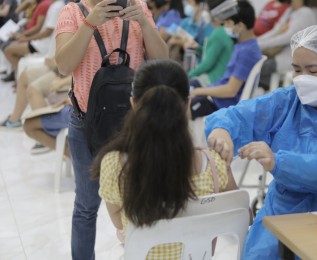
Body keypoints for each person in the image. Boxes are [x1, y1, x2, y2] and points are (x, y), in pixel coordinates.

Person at [205, 24, 317, 259]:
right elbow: (237, 115)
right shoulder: (288, 101)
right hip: (282, 210)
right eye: (297, 70)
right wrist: (221, 130)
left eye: (313, 70)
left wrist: (279, 162)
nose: (303, 79)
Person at [90, 59, 238, 258]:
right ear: (187, 104)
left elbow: (119, 222)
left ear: (134, 103)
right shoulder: (212, 165)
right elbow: (239, 215)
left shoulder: (114, 164)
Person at [54, 0, 168, 258]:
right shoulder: (72, 12)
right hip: (86, 124)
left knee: (142, 199)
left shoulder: (138, 7)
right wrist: (89, 23)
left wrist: (145, 24)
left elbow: (163, 61)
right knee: (86, 205)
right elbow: (63, 66)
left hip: (134, 124)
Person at [189, 0, 261, 119]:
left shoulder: (247, 52)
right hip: (217, 98)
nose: (225, 26)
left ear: (240, 26)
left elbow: (231, 90)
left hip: (222, 104)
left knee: (180, 109)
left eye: (228, 23)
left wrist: (199, 91)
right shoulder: (243, 45)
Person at [258, 0, 317, 90]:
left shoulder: (306, 13)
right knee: (256, 62)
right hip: (281, 55)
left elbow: (287, 37)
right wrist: (257, 41)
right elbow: (276, 30)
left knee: (261, 67)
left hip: (294, 59)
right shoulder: (291, 10)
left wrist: (261, 44)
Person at [188, 17, 233, 88]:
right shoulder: (228, 35)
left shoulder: (219, 34)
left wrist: (188, 75)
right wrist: (199, 48)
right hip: (221, 80)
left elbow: (207, 64)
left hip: (213, 81)